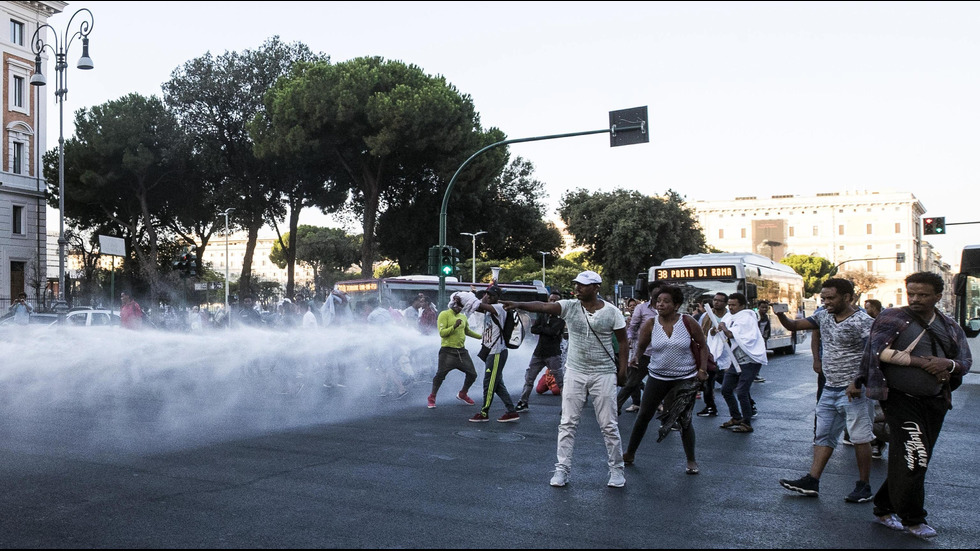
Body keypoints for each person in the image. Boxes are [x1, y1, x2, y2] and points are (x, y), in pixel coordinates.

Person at [847, 272, 972, 539]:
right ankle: (913, 519)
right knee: (915, 456)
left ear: (938, 296)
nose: (915, 299)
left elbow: (964, 361)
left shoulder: (949, 326)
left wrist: (947, 365)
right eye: (911, 293)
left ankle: (883, 507)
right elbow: (875, 351)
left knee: (914, 460)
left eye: (923, 295)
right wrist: (918, 362)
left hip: (936, 401)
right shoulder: (892, 317)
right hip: (900, 399)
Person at [502, 270, 629, 488]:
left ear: (596, 287)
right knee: (567, 423)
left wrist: (623, 370)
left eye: (583, 285)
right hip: (575, 371)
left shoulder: (612, 312)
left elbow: (623, 342)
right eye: (576, 284)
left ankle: (616, 470)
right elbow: (542, 306)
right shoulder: (569, 306)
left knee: (608, 425)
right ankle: (562, 469)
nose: (578, 288)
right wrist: (518, 304)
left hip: (604, 373)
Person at [773, 278, 876, 503]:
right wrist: (780, 314)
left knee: (860, 437)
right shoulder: (822, 316)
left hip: (854, 390)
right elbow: (793, 326)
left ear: (848, 298)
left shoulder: (862, 322)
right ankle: (813, 480)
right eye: (824, 298)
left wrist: (857, 382)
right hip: (830, 387)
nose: (826, 302)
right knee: (824, 435)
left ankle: (864, 486)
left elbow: (874, 356)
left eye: (831, 298)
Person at [623, 285, 709, 475]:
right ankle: (630, 453)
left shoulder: (688, 322)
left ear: (676, 304)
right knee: (644, 415)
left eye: (666, 301)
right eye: (658, 301)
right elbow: (642, 345)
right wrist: (636, 356)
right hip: (657, 376)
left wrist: (702, 369)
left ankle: (691, 460)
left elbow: (703, 346)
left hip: (684, 378)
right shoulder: (651, 324)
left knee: (684, 420)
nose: (660, 305)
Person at [717, 292, 767, 433]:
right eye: (729, 305)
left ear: (742, 306)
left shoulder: (746, 317)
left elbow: (733, 334)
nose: (730, 307)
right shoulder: (732, 317)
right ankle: (736, 417)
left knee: (742, 391)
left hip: (750, 361)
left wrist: (724, 328)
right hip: (736, 360)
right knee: (726, 389)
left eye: (733, 305)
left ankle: (746, 422)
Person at [469, 284, 520, 423]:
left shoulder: (498, 308)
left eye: (491, 295)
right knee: (497, 384)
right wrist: (484, 294)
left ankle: (484, 413)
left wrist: (480, 297)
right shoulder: (489, 308)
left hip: (497, 352)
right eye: (487, 294)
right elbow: (478, 306)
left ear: (498, 297)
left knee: (489, 383)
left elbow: (481, 305)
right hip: (492, 351)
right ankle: (511, 411)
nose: (488, 297)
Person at [515, 291, 566, 412]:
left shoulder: (560, 318)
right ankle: (523, 401)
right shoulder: (543, 315)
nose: (552, 302)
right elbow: (534, 329)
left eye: (555, 300)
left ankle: (566, 406)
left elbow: (552, 332)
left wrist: (542, 329)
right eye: (551, 300)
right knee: (529, 378)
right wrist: (545, 329)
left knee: (560, 381)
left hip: (553, 353)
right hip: (539, 352)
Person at [427, 292, 480, 408]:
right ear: (453, 304)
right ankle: (432, 396)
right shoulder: (444, 314)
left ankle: (463, 393)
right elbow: (442, 333)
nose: (460, 308)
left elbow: (467, 331)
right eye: (458, 306)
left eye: (462, 306)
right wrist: (454, 326)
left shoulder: (463, 316)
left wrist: (481, 337)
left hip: (461, 352)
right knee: (440, 375)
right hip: (447, 352)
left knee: (472, 374)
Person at [618, 283, 661, 414]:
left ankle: (662, 407)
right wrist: (630, 340)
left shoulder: (668, 309)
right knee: (632, 382)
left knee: (662, 383)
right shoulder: (641, 308)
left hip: (662, 353)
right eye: (656, 293)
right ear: (650, 294)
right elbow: (633, 327)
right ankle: (615, 406)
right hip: (644, 352)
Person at [697, 293, 731, 417]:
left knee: (731, 383)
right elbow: (701, 332)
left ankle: (748, 405)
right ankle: (710, 407)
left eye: (720, 301)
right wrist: (711, 332)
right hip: (710, 355)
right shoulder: (707, 316)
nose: (716, 303)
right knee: (707, 382)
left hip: (727, 355)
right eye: (715, 300)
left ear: (725, 303)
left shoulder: (729, 316)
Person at [754, 300, 772, 383]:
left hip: (761, 340)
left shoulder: (766, 317)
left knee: (760, 358)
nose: (764, 309)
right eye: (762, 307)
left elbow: (767, 329)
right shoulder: (754, 315)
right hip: (753, 340)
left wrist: (765, 338)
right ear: (758, 307)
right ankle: (754, 374)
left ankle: (756, 373)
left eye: (766, 308)